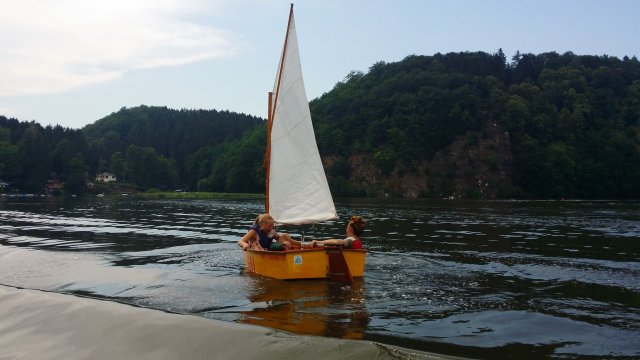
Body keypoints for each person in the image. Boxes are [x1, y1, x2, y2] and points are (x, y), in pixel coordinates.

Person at [237, 213, 301, 251]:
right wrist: (244, 244)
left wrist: (287, 240)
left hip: (268, 250)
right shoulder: (254, 231)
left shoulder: (271, 231)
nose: (271, 228)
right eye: (269, 226)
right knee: (286, 241)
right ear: (262, 225)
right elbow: (240, 241)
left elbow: (281, 238)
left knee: (285, 236)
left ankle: (303, 245)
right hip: (258, 250)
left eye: (272, 226)